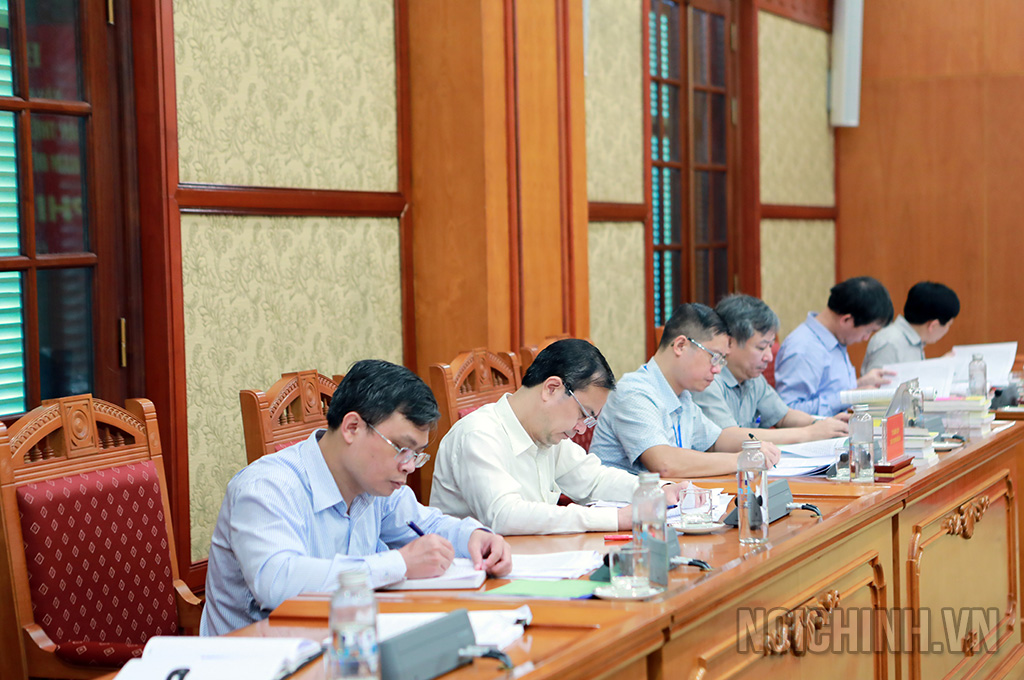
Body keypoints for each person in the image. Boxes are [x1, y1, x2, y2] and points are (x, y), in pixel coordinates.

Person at [201, 360, 512, 636]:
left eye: (416, 454)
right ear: (352, 427)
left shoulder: (375, 485)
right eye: (402, 449)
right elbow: (277, 582)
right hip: (258, 659)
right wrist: (400, 563)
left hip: (344, 645)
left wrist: (475, 536)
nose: (408, 466)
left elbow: (426, 524)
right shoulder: (267, 487)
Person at [430, 339, 683, 535]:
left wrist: (658, 490)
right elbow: (505, 516)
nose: (582, 429)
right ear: (552, 388)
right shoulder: (478, 434)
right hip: (480, 578)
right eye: (583, 414)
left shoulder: (546, 435)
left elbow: (594, 480)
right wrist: (616, 519)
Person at [589, 303, 781, 478]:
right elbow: (664, 464)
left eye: (722, 360)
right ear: (681, 346)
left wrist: (755, 446)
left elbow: (716, 440)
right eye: (714, 357)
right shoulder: (634, 392)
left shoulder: (682, 395)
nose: (717, 369)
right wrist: (741, 460)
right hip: (622, 503)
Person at [692, 294, 849, 443]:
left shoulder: (752, 378)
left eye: (770, 345)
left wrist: (821, 423)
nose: (769, 357)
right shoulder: (708, 380)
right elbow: (728, 436)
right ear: (729, 343)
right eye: (761, 347)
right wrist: (809, 433)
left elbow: (783, 416)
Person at [774, 276, 895, 417]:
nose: (866, 338)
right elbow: (787, 412)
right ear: (846, 320)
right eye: (868, 331)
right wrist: (849, 397)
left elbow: (826, 390)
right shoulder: (804, 348)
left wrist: (860, 384)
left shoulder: (835, 340)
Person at [861, 281, 960, 373]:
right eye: (949, 325)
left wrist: (940, 365)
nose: (947, 330)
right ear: (933, 325)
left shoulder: (915, 341)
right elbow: (874, 385)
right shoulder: (890, 343)